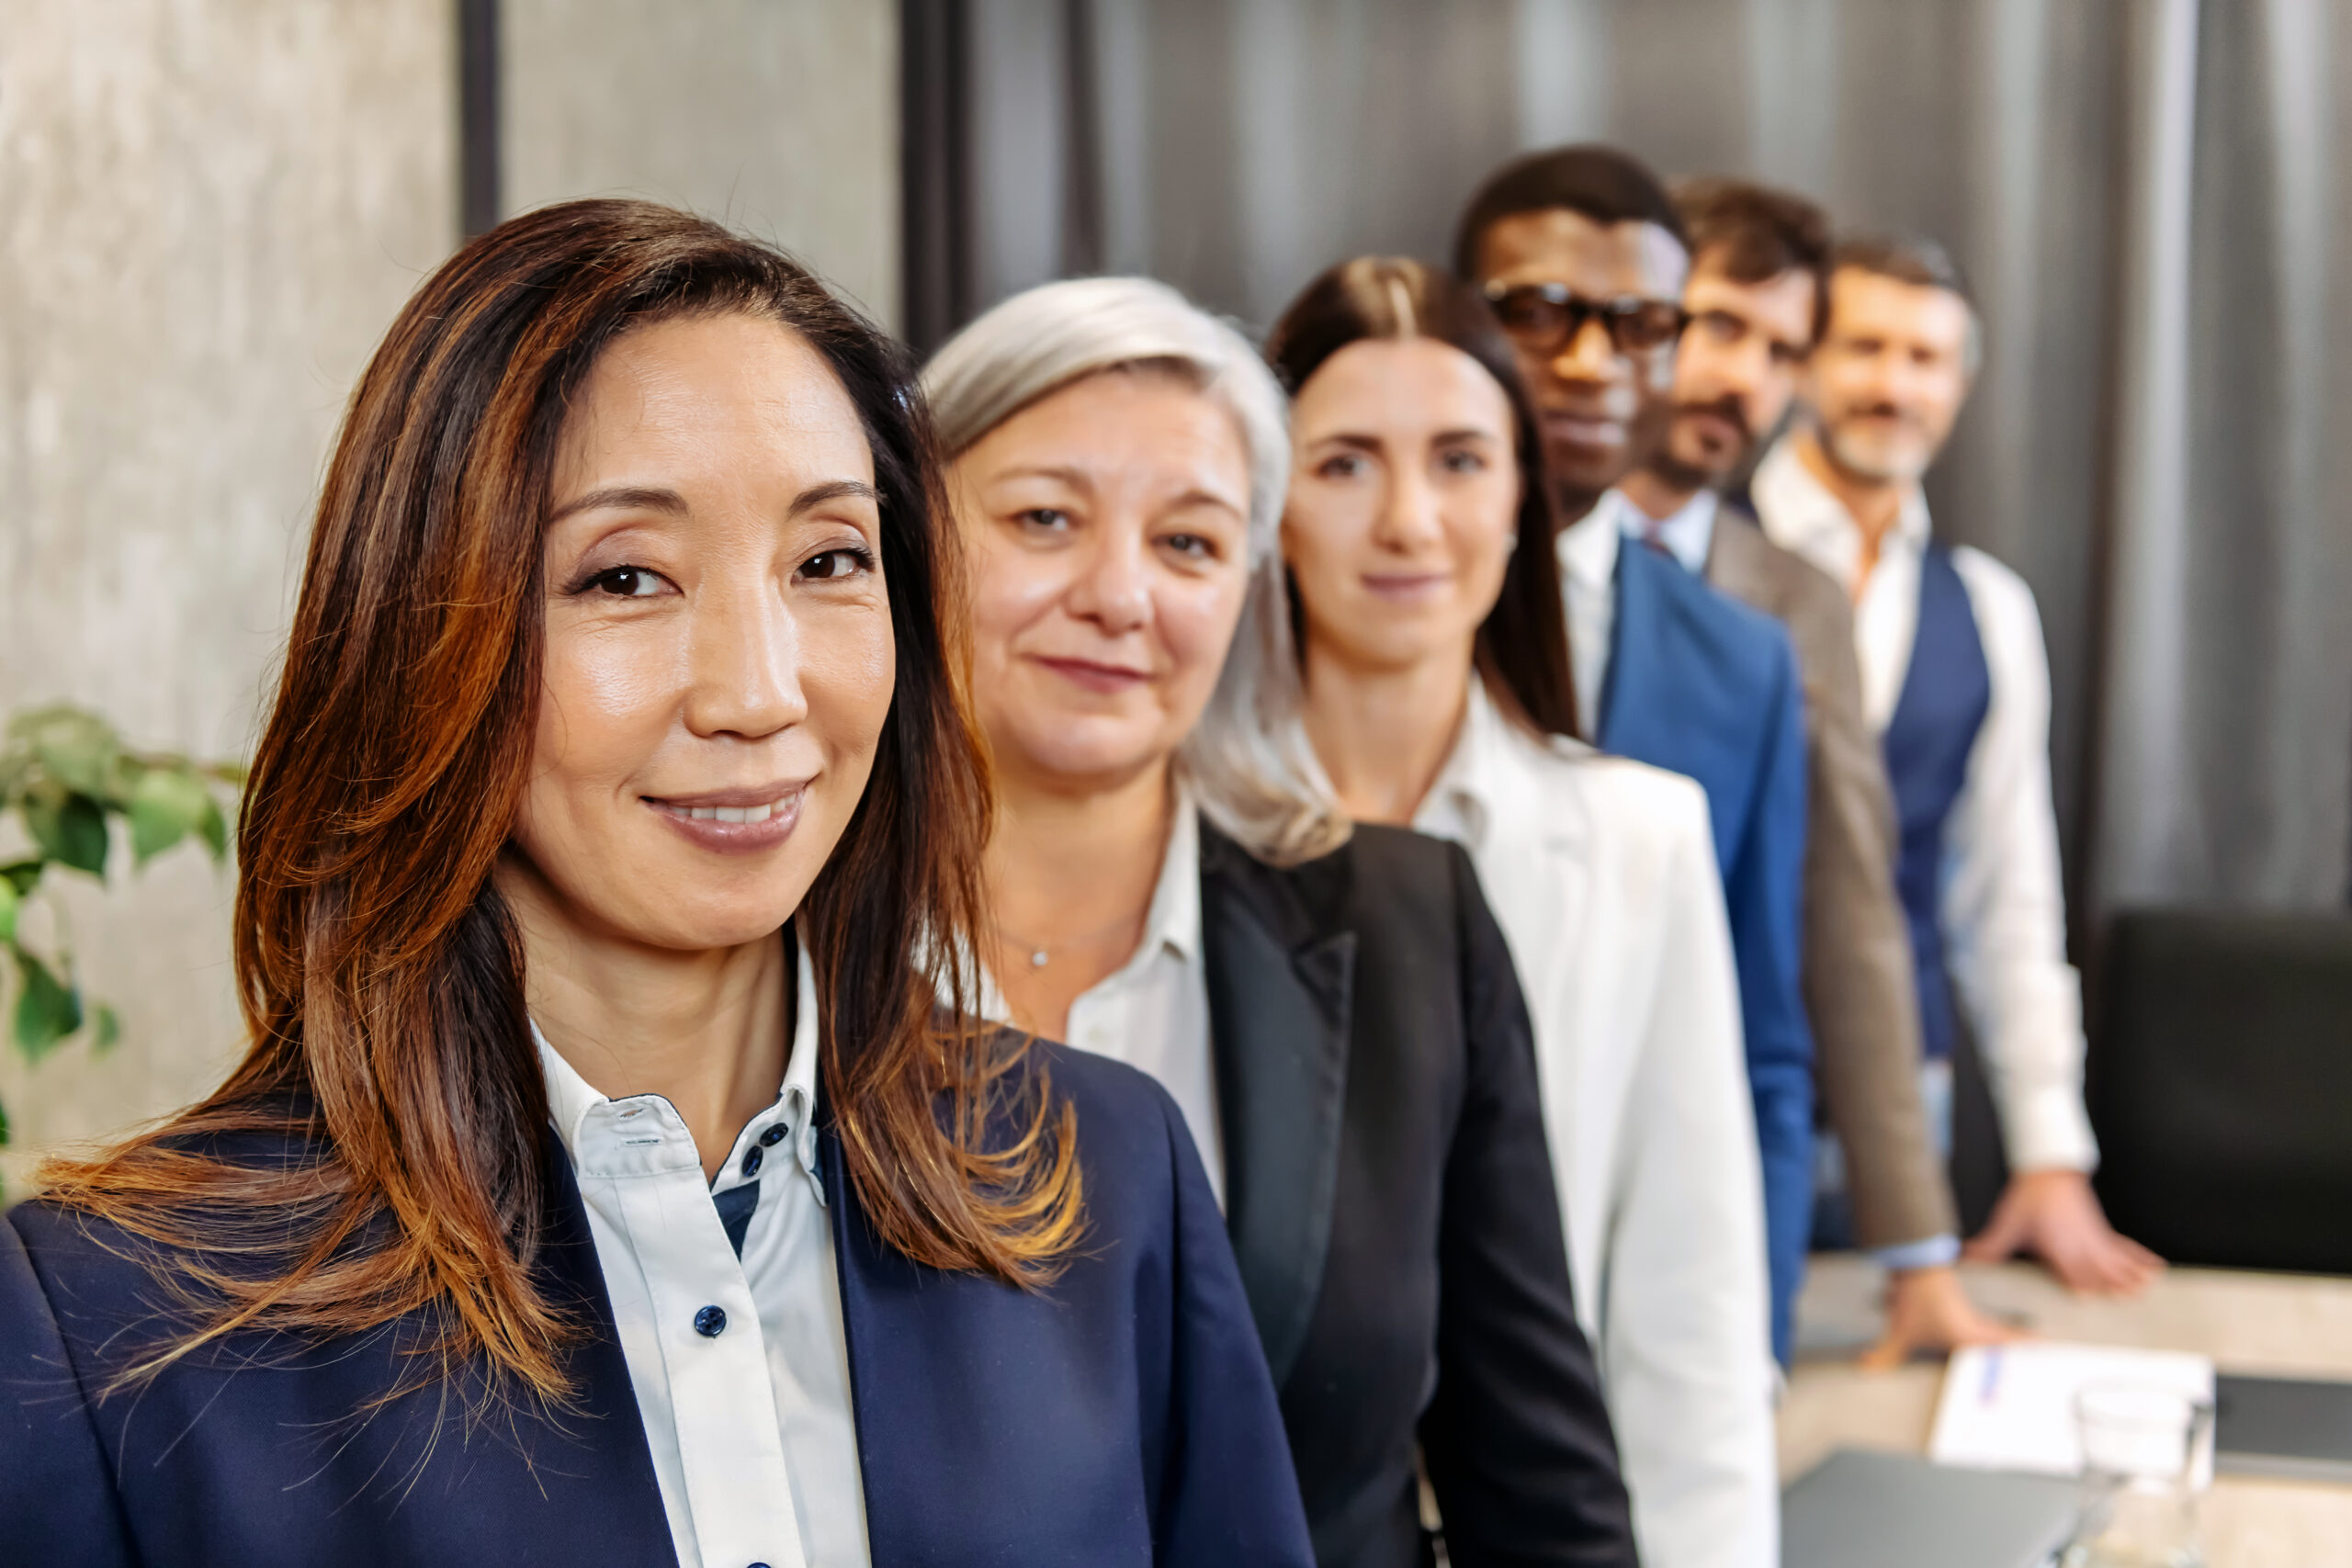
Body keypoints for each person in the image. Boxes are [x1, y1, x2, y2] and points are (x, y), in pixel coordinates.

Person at [0, 201, 1316, 1568]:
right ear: (420, 635)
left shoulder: (1103, 1171)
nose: (760, 692)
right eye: (625, 577)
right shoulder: (108, 1322)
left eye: (828, 561)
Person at [923, 276, 1637, 1568]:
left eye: (1189, 543)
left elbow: (1537, 1481)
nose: (1120, 594)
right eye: (1044, 519)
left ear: (1249, 589)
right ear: (908, 533)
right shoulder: (772, 943)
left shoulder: (1409, 926)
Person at [1269, 254, 1776, 1568]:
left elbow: (1689, 1308)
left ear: (1520, 502)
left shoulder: (1638, 839)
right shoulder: (1173, 836)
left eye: (1459, 461)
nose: (1409, 522)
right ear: (1266, 501)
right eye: (1344, 464)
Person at [1615, 179, 2018, 1365]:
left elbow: (1856, 907)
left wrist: (1917, 1246)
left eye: (1780, 350)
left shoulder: (1794, 600)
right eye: (1717, 327)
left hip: (1733, 1109)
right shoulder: (1493, 547)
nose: (1743, 377)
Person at [1749, 234, 2163, 1296]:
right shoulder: (1697, 555)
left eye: (1924, 358)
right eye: (1862, 348)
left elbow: (2006, 898)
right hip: (1717, 1074)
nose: (1892, 386)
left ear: (1961, 385)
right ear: (1800, 363)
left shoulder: (1986, 609)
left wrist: (2049, 1150)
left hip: (1904, 1099)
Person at [1456, 144, 1816, 1360]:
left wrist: (1750, 1351)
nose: (1590, 361)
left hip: (1627, 1303)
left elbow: (1761, 1043)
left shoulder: (1743, 662)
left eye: (1642, 324)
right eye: (1540, 312)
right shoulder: (1351, 603)